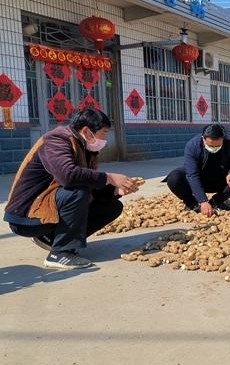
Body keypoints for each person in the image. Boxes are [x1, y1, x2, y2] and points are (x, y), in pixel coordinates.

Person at [4, 109, 135, 269]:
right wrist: (109, 177)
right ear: (86, 131)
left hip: (49, 205)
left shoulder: (85, 148)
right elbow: (68, 176)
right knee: (77, 191)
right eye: (104, 133)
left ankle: (50, 238)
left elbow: (89, 184)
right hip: (26, 215)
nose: (105, 139)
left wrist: (114, 191)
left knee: (112, 206)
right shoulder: (57, 140)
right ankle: (59, 254)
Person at [165, 124, 230, 217]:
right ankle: (193, 204)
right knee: (174, 178)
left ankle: (216, 201)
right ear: (203, 139)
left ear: (223, 139)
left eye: (217, 145)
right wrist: (203, 201)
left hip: (219, 178)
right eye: (210, 145)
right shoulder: (192, 146)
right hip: (199, 179)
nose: (213, 148)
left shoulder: (229, 144)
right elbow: (192, 175)